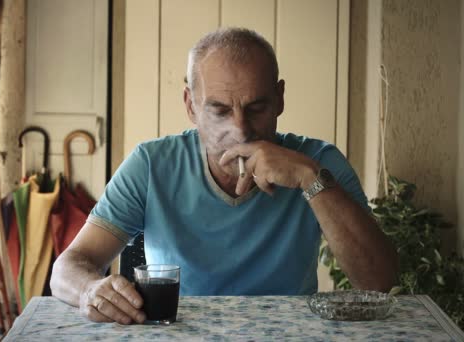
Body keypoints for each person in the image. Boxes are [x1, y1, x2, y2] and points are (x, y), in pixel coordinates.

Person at [51, 27, 398, 325]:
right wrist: (89, 290)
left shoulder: (320, 162)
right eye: (219, 110)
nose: (240, 129)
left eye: (256, 108)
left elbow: (379, 281)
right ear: (190, 106)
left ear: (279, 99)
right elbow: (68, 267)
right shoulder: (151, 165)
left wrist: (311, 180)